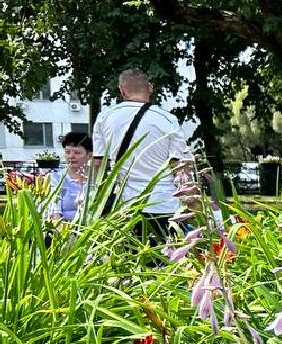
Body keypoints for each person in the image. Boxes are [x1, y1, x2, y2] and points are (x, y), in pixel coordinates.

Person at [91, 69, 197, 243]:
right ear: (150, 88)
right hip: (164, 204)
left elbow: (98, 165)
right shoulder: (167, 119)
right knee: (167, 262)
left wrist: (100, 202)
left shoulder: (105, 118)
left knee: (130, 262)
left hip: (125, 206)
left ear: (122, 90)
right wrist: (191, 203)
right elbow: (180, 167)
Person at [47, 130, 93, 222]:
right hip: (63, 229)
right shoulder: (56, 178)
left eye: (77, 153)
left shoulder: (96, 178)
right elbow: (54, 210)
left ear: (89, 155)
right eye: (67, 152)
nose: (71, 156)